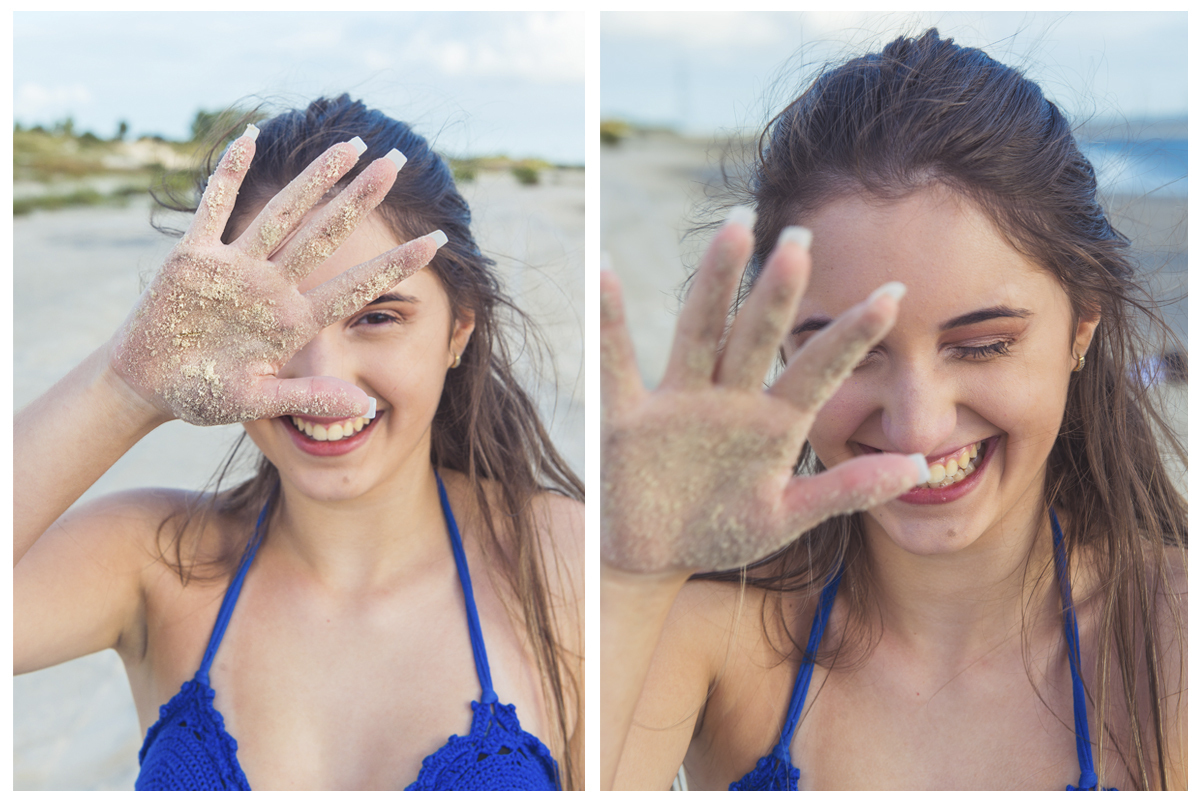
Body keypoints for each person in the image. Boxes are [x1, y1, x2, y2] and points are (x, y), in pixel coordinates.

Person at [601, 30, 1185, 790]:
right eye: (849, 351)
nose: (917, 427)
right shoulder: (712, 625)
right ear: (786, 353)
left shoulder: (1172, 633)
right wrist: (631, 582)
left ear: (1082, 328)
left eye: (981, 346)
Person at [15, 95, 583, 790]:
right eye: (268, 324)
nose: (324, 383)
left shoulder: (561, 561)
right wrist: (125, 387)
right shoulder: (154, 561)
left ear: (458, 330)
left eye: (376, 316)